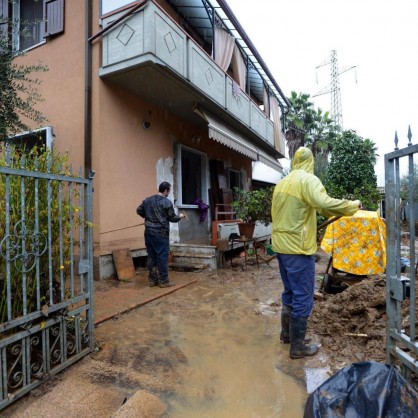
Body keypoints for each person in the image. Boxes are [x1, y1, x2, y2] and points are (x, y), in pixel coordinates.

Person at [271, 147, 361, 359]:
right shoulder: (308, 180)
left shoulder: (282, 183)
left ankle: (287, 335)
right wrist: (352, 205)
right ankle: (298, 347)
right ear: (310, 162)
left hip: (281, 246)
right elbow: (324, 203)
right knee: (303, 296)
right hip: (298, 248)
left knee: (290, 292)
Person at [137, 182, 185, 288]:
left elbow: (139, 210)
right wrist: (180, 216)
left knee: (151, 256)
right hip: (161, 234)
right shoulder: (166, 202)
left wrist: (148, 217)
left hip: (149, 233)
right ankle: (163, 281)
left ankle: (153, 280)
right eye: (169, 190)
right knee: (162, 257)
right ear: (166, 190)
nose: (169, 192)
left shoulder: (147, 200)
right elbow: (172, 218)